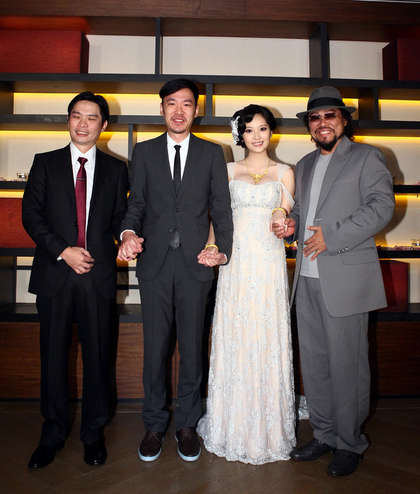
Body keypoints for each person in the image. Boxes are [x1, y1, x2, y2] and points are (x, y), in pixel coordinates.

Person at [273, 86, 395, 476]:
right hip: (305, 280)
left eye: (330, 116)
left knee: (348, 367)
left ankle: (349, 442)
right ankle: (324, 435)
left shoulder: (367, 157)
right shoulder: (304, 164)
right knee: (316, 364)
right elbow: (302, 214)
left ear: (343, 120)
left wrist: (333, 235)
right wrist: (291, 227)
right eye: (315, 117)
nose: (322, 123)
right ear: (309, 125)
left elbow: (382, 206)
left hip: (345, 280)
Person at [117, 78, 233, 462]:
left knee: (193, 348)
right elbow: (137, 203)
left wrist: (221, 249)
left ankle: (187, 425)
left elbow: (221, 208)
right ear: (162, 109)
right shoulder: (144, 151)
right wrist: (128, 232)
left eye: (186, 104)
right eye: (171, 103)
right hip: (154, 265)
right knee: (155, 349)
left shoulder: (213, 153)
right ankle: (154, 425)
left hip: (196, 265)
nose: (178, 111)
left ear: (196, 110)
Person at [22, 92, 128, 469]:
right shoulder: (45, 163)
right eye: (76, 116)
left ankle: (93, 434)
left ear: (104, 125)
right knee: (53, 357)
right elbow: (31, 216)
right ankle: (52, 432)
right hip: (54, 275)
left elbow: (119, 219)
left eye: (91, 117)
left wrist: (128, 236)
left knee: (99, 357)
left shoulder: (117, 169)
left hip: (97, 277)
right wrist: (63, 250)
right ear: (68, 120)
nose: (83, 124)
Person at [197, 104, 296, 465]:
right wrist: (212, 246)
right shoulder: (227, 171)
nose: (257, 136)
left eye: (263, 128)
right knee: (236, 335)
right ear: (240, 135)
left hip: (269, 265)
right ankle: (230, 425)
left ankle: (270, 432)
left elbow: (286, 215)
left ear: (272, 132)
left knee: (267, 336)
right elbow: (218, 218)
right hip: (236, 264)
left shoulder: (285, 172)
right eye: (250, 129)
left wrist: (282, 217)